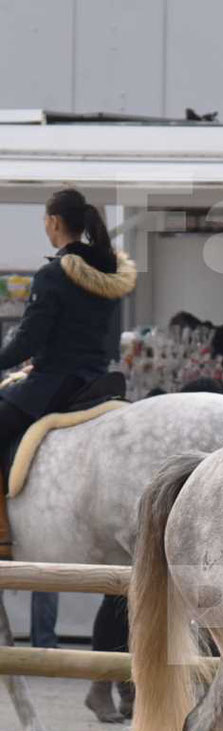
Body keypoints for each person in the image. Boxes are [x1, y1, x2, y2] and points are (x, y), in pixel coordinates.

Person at [0, 187, 136, 558]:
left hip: (54, 382)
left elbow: (29, 338)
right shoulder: (108, 271)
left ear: (54, 222)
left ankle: (1, 531)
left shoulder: (52, 274)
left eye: (45, 221)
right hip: (96, 379)